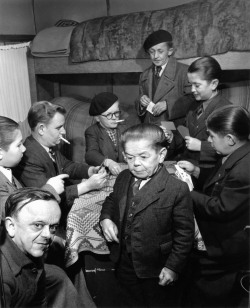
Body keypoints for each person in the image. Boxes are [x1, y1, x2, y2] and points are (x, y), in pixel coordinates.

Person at [100, 123, 194, 307]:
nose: (135, 163)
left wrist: (173, 266)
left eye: (144, 157)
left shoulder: (177, 189)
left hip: (156, 267)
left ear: (161, 155)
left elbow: (184, 235)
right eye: (129, 157)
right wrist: (105, 218)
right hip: (124, 262)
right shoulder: (123, 177)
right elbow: (112, 199)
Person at [178, 105, 250, 307]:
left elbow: (220, 208)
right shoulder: (237, 152)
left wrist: (185, 191)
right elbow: (218, 180)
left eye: (211, 136)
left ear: (230, 139)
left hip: (226, 245)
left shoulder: (245, 169)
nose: (208, 141)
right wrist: (195, 171)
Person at [0, 188, 92, 308]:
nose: (48, 235)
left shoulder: (31, 249)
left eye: (53, 227)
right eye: (38, 225)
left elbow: (39, 303)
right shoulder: (4, 275)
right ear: (11, 226)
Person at [14, 101, 107, 212]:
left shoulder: (48, 144)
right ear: (41, 129)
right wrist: (87, 186)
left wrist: (89, 170)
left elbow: (66, 165)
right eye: (58, 128)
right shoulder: (28, 157)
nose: (63, 131)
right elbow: (46, 196)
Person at [166, 56, 232, 168]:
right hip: (186, 162)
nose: (192, 90)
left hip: (209, 170)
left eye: (197, 85)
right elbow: (184, 134)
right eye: (190, 84)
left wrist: (201, 146)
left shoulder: (227, 110)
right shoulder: (193, 105)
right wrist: (171, 137)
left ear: (214, 84)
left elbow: (231, 148)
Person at [0, 115, 68, 221]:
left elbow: (21, 198)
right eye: (18, 145)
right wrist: (51, 189)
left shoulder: (6, 170)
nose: (24, 148)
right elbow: (16, 213)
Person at [135, 29, 192, 126]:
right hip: (150, 128)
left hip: (173, 128)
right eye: (152, 52)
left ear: (170, 51)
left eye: (160, 51)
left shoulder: (184, 72)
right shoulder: (144, 75)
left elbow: (193, 99)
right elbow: (139, 99)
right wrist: (141, 102)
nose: (155, 56)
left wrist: (168, 105)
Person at [85, 92, 127, 176]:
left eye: (116, 113)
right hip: (105, 175)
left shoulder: (124, 128)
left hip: (124, 172)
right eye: (109, 115)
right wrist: (108, 162)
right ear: (97, 118)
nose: (114, 117)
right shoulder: (92, 131)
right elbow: (90, 154)